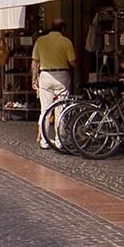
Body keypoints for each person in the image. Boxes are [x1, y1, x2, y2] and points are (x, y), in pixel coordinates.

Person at [32, 19, 78, 149]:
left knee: (45, 110)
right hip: (62, 75)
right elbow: (72, 62)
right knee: (61, 109)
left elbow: (34, 62)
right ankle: (60, 141)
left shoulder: (40, 41)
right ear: (63, 29)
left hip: (45, 75)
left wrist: (34, 79)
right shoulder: (66, 41)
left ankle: (44, 141)